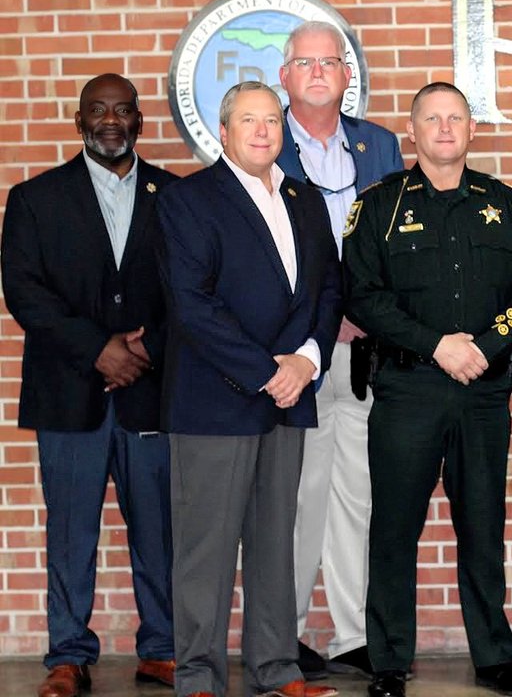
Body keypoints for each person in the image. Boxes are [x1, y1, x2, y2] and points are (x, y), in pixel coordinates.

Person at [342, 82, 512, 697]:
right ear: (412, 131)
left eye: (454, 117)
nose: (443, 128)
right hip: (407, 390)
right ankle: (387, 663)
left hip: (483, 393)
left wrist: (484, 347)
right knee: (394, 529)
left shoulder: (507, 204)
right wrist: (438, 345)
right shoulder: (378, 206)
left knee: (483, 528)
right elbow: (362, 295)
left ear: (471, 129)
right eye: (431, 118)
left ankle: (493, 659)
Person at [156, 81, 342, 697]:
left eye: (271, 121)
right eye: (248, 121)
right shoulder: (189, 200)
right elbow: (192, 305)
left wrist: (309, 360)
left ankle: (275, 669)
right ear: (224, 129)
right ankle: (198, 678)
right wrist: (268, 370)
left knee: (273, 543)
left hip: (289, 398)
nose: (263, 132)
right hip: (217, 400)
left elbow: (325, 292)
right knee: (206, 549)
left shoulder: (304, 199)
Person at [0, 74, 177, 697]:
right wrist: (98, 349)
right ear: (79, 121)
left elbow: (194, 291)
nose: (110, 120)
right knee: (71, 529)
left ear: (138, 122)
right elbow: (24, 292)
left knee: (158, 526)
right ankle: (68, 655)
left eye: (122, 110)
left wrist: (144, 350)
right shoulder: (34, 198)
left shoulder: (177, 197)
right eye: (97, 110)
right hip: (67, 393)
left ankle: (162, 647)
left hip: (152, 391)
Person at [276, 20, 405, 680]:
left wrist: (368, 314)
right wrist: (323, 322)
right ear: (286, 76)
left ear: (348, 76)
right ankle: (287, 635)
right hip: (292, 354)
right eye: (307, 62)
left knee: (360, 493)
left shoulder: (378, 145)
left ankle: (355, 634)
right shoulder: (264, 144)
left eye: (332, 61)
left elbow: (398, 245)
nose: (320, 71)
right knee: (297, 496)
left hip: (365, 352)